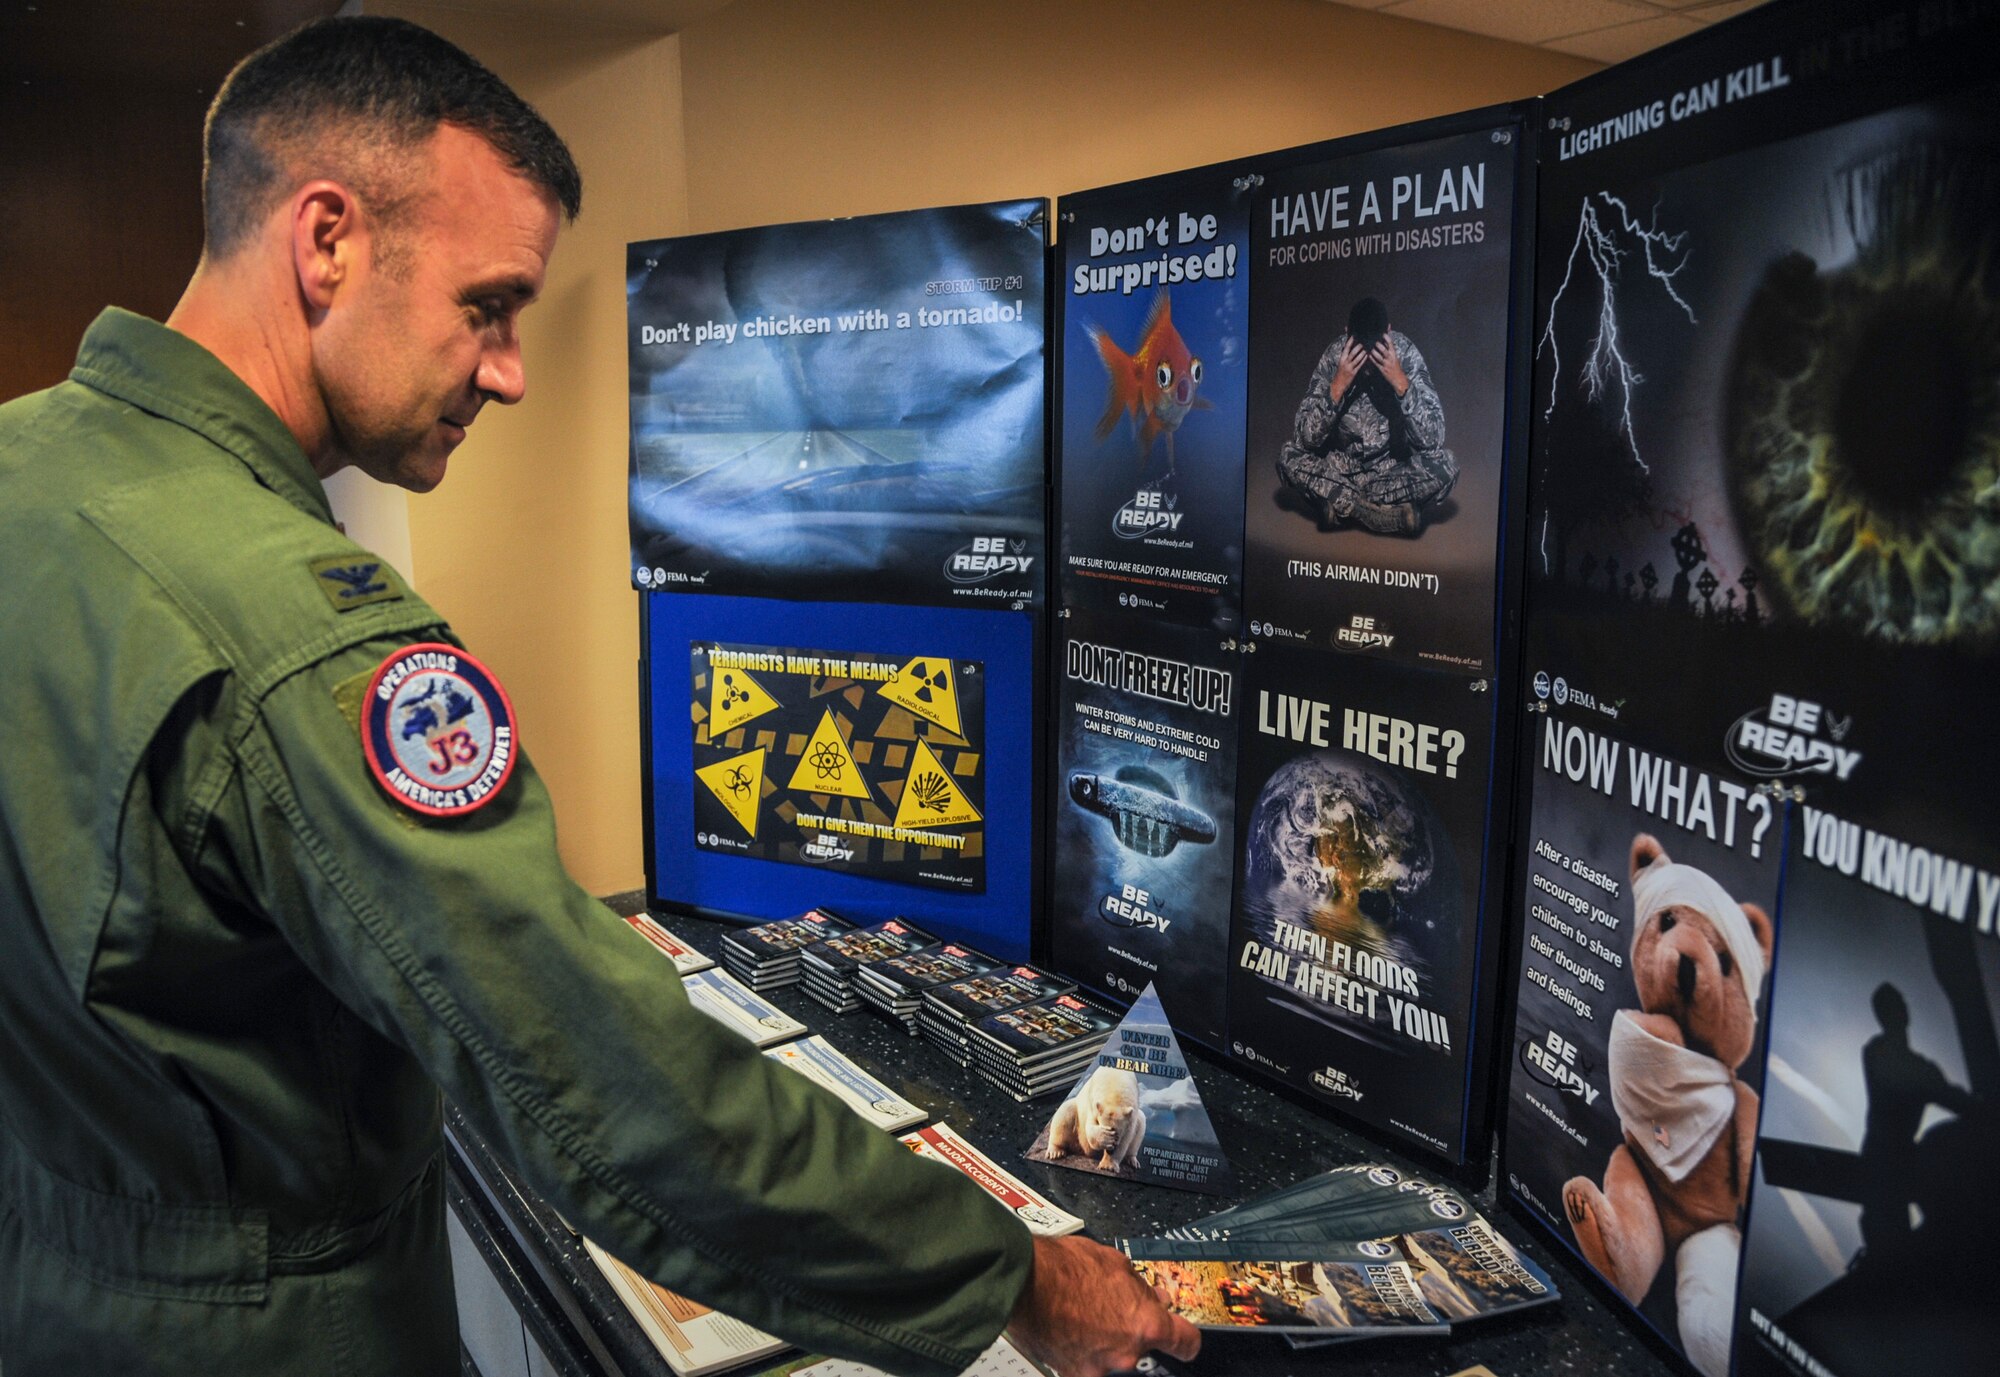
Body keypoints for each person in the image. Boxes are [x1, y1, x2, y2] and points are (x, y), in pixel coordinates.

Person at [0, 18, 1197, 1377]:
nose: (510, 370)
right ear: (325, 241)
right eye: (487, 305)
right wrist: (1007, 1274)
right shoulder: (299, 629)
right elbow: (605, 1087)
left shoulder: (27, 474)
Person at [1277, 296, 1457, 535]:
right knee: (1288, 456)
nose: (1369, 360)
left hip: (1391, 473)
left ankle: (1341, 504)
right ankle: (1376, 513)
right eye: (1361, 348)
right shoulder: (1334, 356)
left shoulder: (1404, 353)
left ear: (1389, 332)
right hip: (1341, 470)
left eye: (1375, 348)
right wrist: (1337, 387)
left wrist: (1401, 383)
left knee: (1447, 465)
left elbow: (1433, 440)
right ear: (1347, 334)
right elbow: (1305, 440)